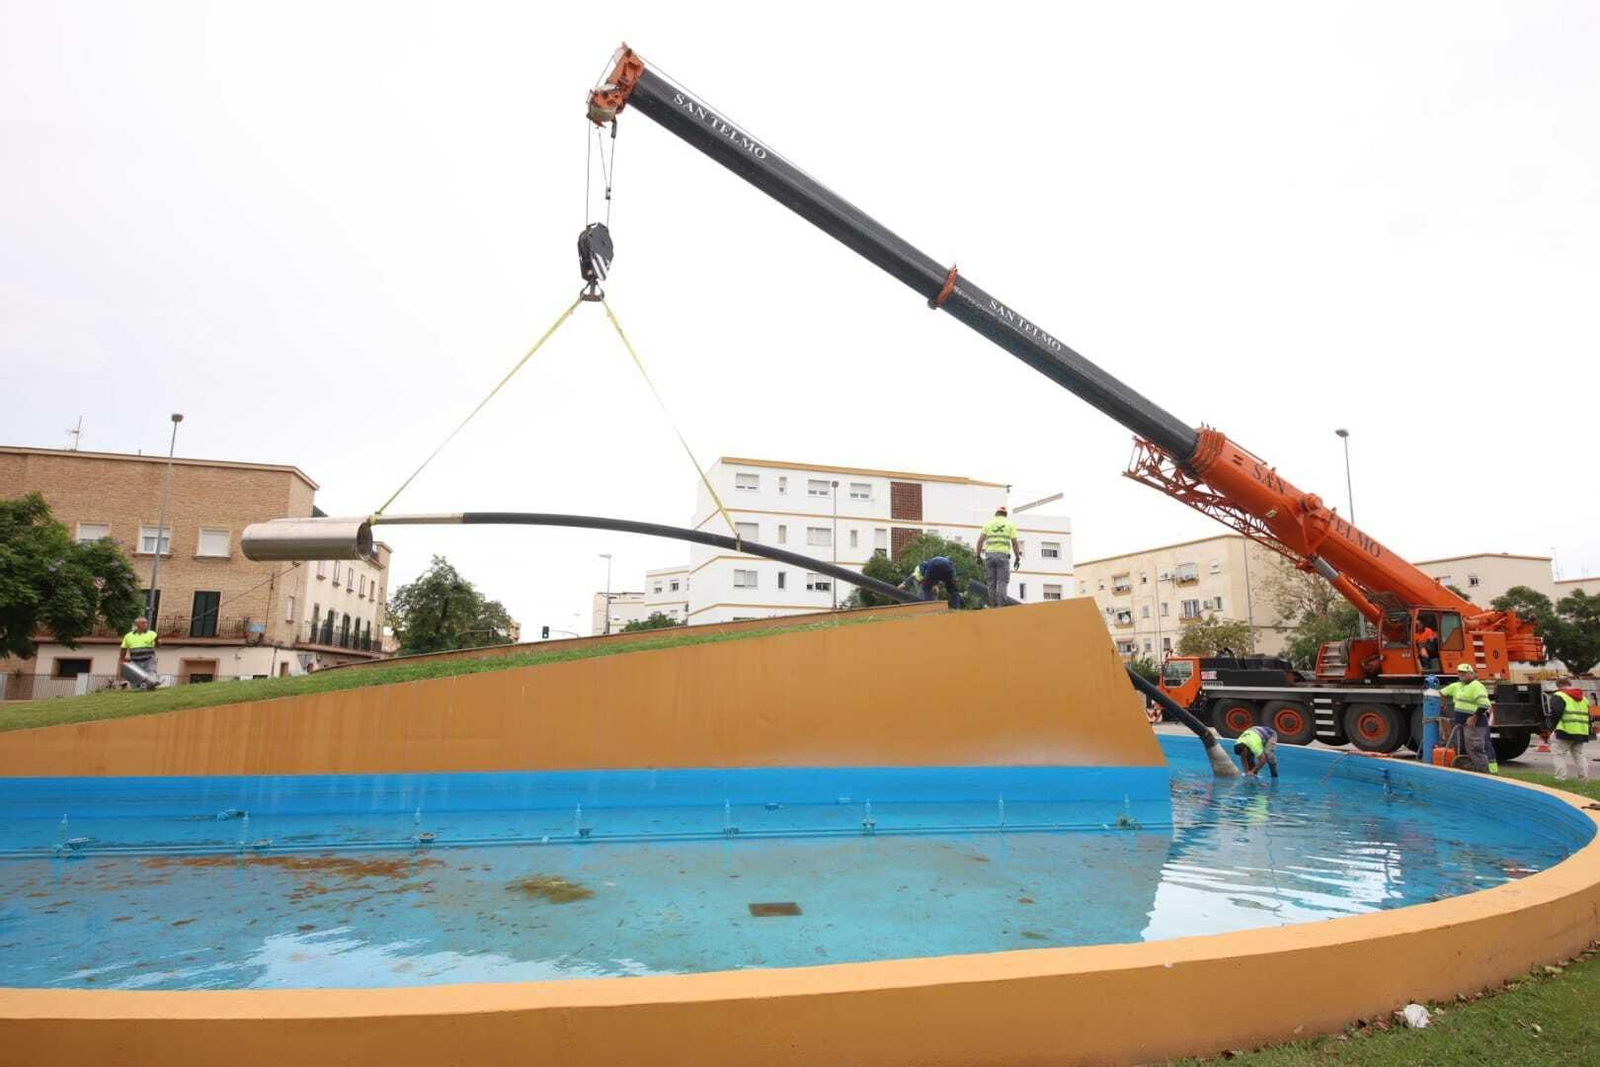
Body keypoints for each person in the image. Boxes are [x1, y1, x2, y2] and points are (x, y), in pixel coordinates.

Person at [1544, 682, 1593, 782]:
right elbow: (1589, 716)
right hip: (1581, 731)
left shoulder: (1559, 696)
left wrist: (1551, 728)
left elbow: (1556, 712)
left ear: (1558, 687)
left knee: (1559, 754)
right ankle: (1584, 779)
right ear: (1570, 685)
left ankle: (1560, 779)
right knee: (1579, 755)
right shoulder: (1583, 698)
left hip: (1565, 730)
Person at [977, 506, 1022, 608]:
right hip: (1002, 556)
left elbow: (980, 541)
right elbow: (1014, 543)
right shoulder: (1010, 525)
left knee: (991, 583)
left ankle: (992, 606)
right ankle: (1000, 608)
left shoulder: (988, 524)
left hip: (989, 556)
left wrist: (978, 556)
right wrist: (1017, 557)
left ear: (996, 514)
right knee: (1002, 582)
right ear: (1005, 515)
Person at [118, 616, 160, 689]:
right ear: (137, 625)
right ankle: (136, 689)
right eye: (143, 623)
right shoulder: (128, 636)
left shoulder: (152, 634)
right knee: (136, 676)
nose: (146, 624)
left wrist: (158, 642)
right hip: (135, 661)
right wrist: (122, 659)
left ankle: (152, 684)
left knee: (151, 671)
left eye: (146, 623)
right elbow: (124, 648)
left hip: (149, 659)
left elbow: (158, 645)